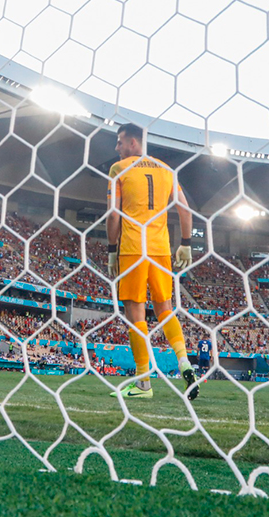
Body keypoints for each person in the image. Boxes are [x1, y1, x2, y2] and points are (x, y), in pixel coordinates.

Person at [107, 123, 198, 400]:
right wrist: (185, 244)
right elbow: (185, 208)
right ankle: (184, 361)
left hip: (133, 248)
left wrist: (112, 248)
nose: (117, 147)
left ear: (133, 142)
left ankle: (144, 382)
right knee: (165, 309)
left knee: (135, 314)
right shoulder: (166, 170)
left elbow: (113, 215)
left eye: (120, 141)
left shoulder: (118, 169)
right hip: (160, 249)